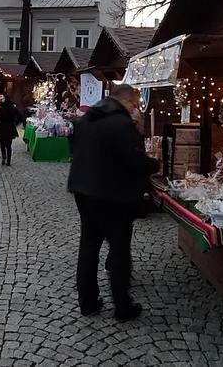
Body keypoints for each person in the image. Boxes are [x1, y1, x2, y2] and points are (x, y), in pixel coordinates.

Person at [68, 84, 159, 321]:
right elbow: (132, 160)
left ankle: (87, 302)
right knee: (119, 249)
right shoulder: (120, 123)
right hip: (112, 195)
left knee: (88, 247)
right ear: (127, 101)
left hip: (83, 190)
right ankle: (122, 306)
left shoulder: (88, 118)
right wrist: (155, 165)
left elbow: (76, 148)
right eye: (135, 103)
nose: (136, 108)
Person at [0, 96, 21, 166]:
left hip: (2, 128)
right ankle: (8, 160)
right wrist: (15, 123)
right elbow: (20, 117)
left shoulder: (0, 110)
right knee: (9, 146)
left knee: (2, 145)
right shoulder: (13, 109)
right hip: (10, 128)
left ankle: (3, 157)